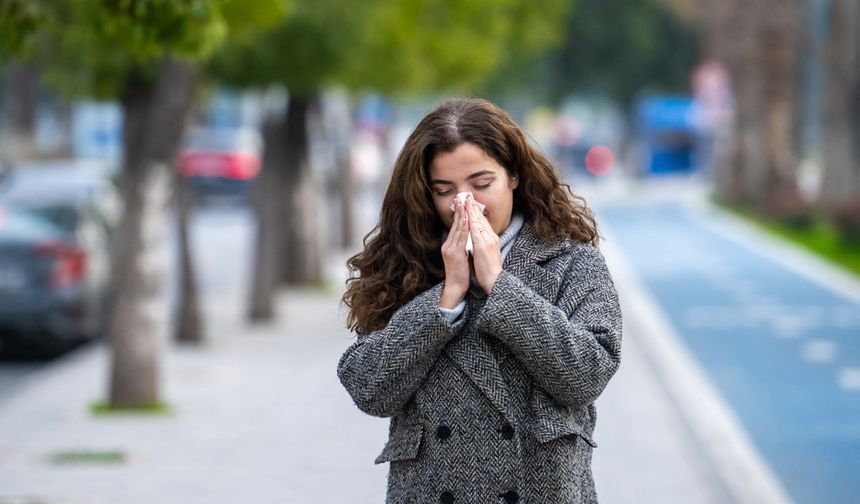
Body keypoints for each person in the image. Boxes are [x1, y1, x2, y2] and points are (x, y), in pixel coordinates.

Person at [337, 97, 622, 504]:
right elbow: (367, 388)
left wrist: (500, 287)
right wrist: (444, 298)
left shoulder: (572, 261)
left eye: (481, 184)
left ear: (514, 176)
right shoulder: (405, 265)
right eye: (444, 190)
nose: (464, 204)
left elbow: (588, 374)